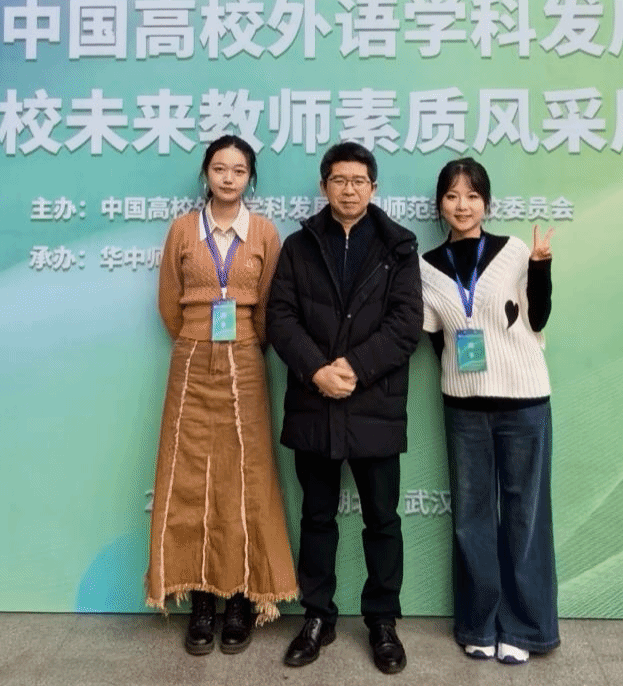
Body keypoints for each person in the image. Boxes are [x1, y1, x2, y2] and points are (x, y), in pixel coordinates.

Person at [265, 141, 423, 675]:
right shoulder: (299, 245)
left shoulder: (399, 246)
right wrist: (317, 371)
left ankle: (382, 621)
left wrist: (353, 368)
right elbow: (280, 317)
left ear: (373, 187)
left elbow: (406, 323)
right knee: (316, 517)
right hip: (315, 403)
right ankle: (317, 616)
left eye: (358, 181)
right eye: (339, 180)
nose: (349, 190)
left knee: (382, 520)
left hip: (374, 402)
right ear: (324, 185)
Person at [146, 135, 297, 655]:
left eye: (238, 170)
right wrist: (198, 338)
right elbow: (169, 302)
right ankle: (201, 603)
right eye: (219, 168)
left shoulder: (265, 233)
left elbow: (272, 306)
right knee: (188, 477)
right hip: (190, 360)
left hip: (246, 361)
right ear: (205, 174)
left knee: (244, 478)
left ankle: (238, 599)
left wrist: (243, 344)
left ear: (250, 179)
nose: (228, 178)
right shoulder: (183, 230)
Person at [419, 157, 559, 665]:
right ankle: (478, 623)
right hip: (464, 407)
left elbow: (538, 317)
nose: (463, 206)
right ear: (440, 204)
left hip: (523, 400)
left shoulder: (515, 251)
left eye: (473, 196)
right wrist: (464, 376)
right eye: (453, 196)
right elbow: (435, 338)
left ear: (486, 203)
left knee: (524, 517)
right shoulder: (426, 268)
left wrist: (540, 268)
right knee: (471, 518)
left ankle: (524, 628)